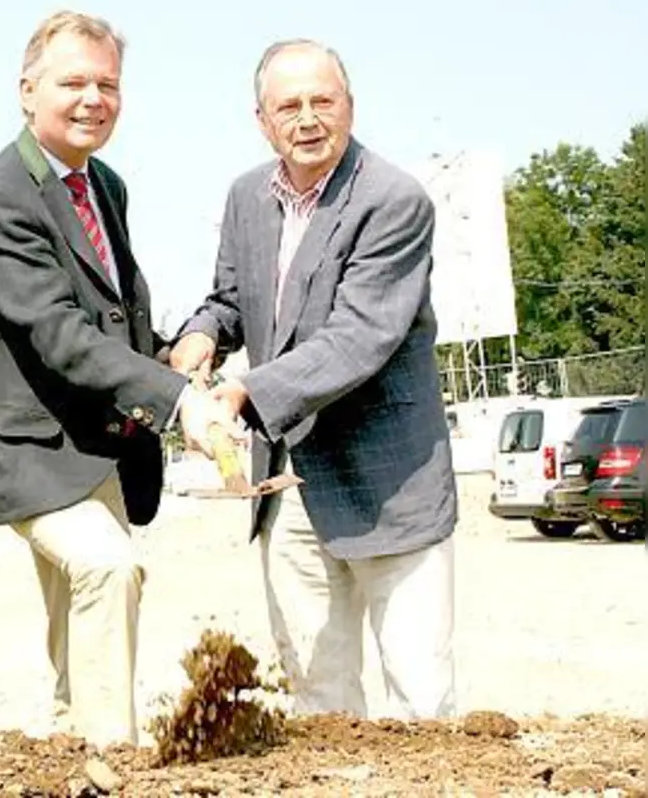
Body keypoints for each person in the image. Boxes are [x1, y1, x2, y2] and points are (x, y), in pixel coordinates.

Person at [0, 10, 237, 749]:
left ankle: (73, 754)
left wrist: (175, 355)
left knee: (79, 627)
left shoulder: (102, 182)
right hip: (27, 446)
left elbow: (112, 315)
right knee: (109, 572)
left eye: (106, 84)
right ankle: (117, 760)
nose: (92, 99)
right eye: (72, 81)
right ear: (26, 90)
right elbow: (57, 333)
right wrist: (177, 404)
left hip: (98, 446)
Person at [170, 38, 458, 720]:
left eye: (322, 101)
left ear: (350, 108)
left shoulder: (394, 201)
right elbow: (234, 296)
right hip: (289, 487)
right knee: (317, 701)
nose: (307, 119)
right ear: (261, 119)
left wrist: (243, 394)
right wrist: (203, 333)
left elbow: (358, 338)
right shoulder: (247, 197)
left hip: (392, 485)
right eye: (288, 105)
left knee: (421, 698)